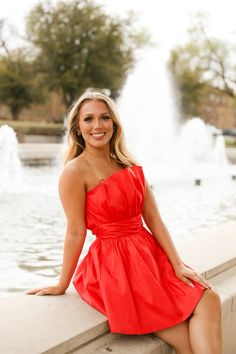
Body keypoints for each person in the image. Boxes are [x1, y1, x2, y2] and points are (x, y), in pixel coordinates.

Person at [26, 91, 222, 354]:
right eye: (89, 119)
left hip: (148, 252)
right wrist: (62, 283)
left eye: (104, 117)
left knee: (209, 297)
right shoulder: (74, 172)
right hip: (114, 263)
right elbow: (75, 231)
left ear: (114, 124)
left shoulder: (129, 165)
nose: (98, 125)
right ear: (78, 128)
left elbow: (153, 218)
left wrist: (177, 264)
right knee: (184, 340)